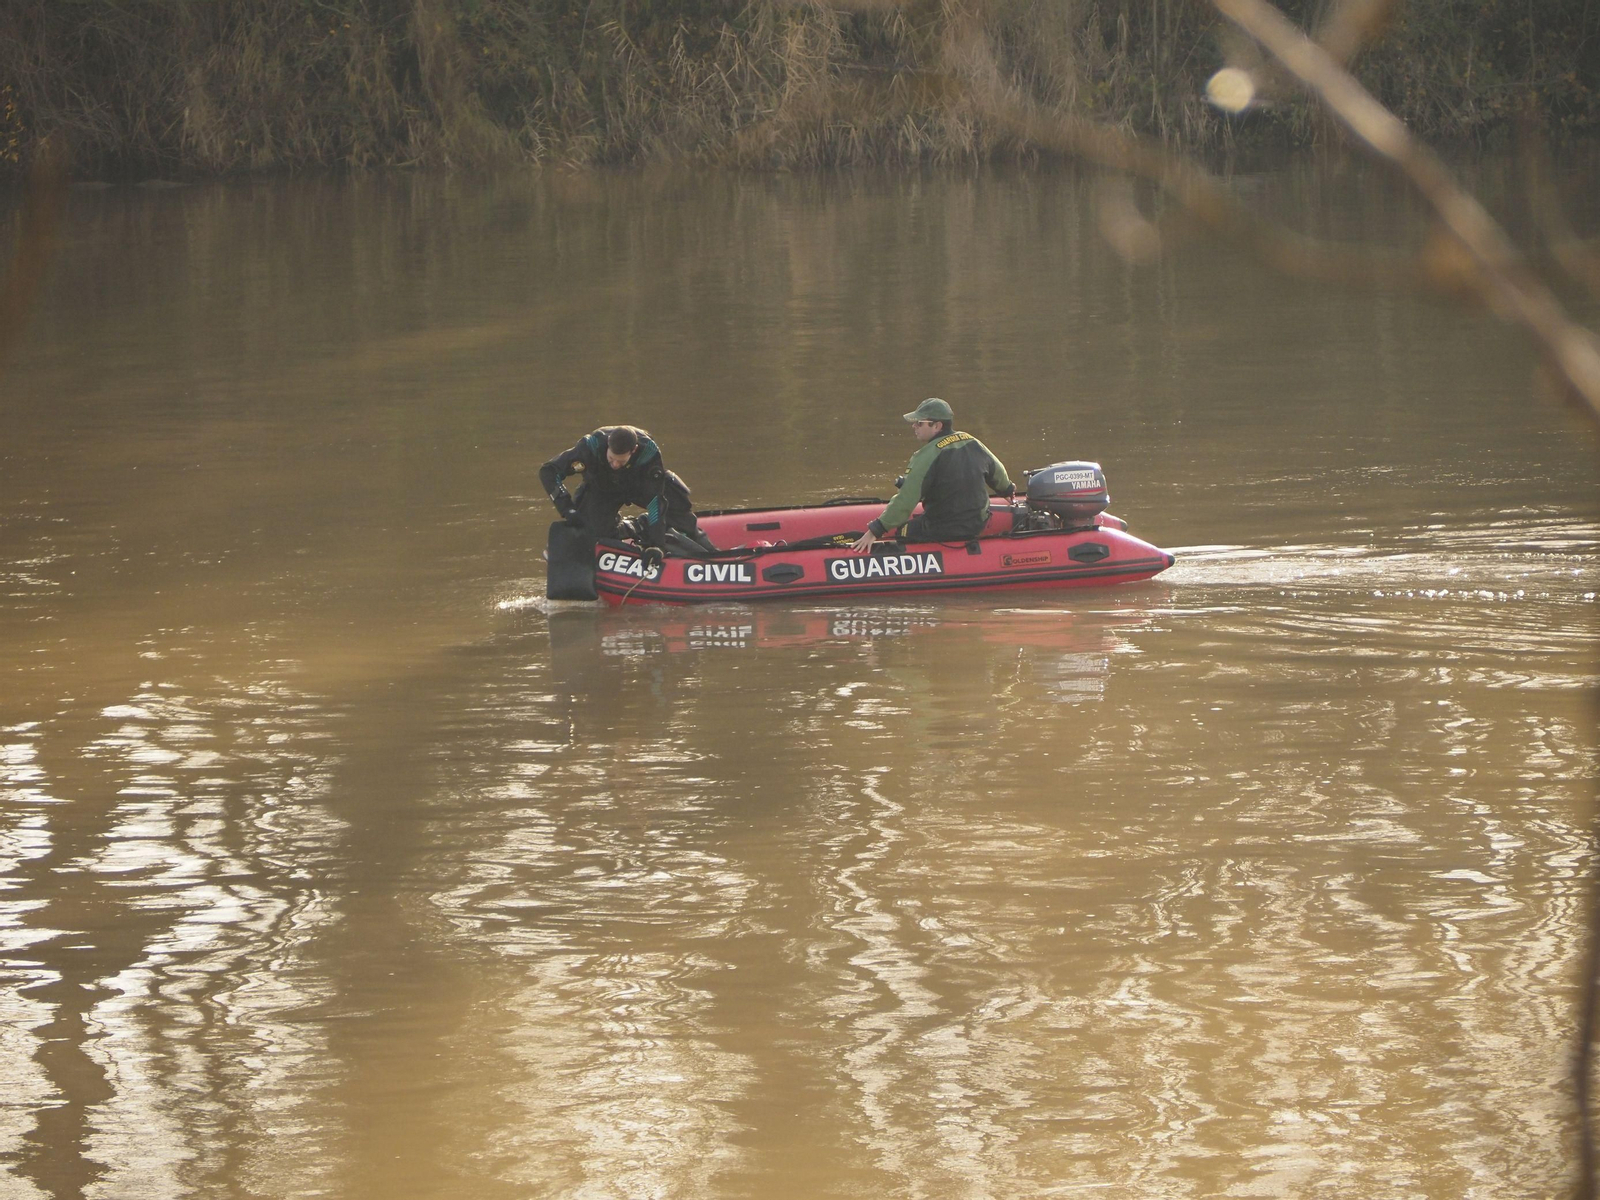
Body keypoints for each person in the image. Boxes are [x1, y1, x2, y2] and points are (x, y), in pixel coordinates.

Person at [851, 397, 1014, 552]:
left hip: (945, 528)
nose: (914, 426)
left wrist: (875, 531)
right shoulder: (973, 442)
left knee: (903, 531)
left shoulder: (926, 456)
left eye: (919, 423)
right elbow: (998, 473)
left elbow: (905, 501)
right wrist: (1007, 491)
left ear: (937, 426)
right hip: (978, 522)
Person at [539, 425, 713, 552]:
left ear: (634, 450)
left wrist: (656, 546)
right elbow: (549, 471)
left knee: (680, 513)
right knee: (591, 530)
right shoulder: (590, 447)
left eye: (620, 461)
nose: (615, 464)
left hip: (639, 485)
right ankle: (635, 527)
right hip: (603, 487)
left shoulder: (649, 453)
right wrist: (566, 509)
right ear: (607, 446)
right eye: (611, 459)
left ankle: (711, 552)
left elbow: (655, 501)